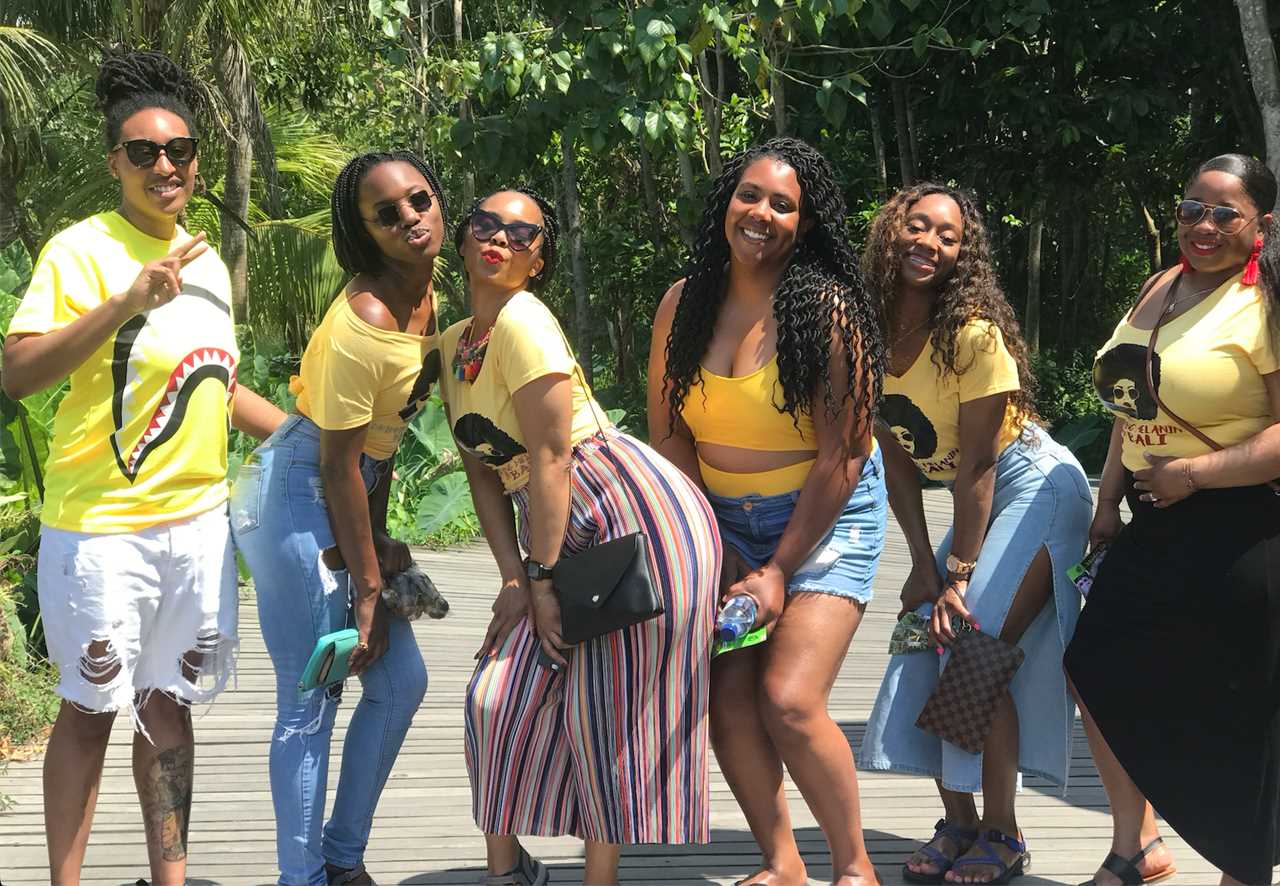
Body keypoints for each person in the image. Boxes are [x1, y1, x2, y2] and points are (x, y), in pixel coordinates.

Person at [0, 50, 283, 885]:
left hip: (196, 527)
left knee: (168, 710)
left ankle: (172, 877)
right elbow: (17, 371)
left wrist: (303, 435)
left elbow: (216, 383)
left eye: (180, 150)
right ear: (114, 163)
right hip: (101, 531)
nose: (166, 165)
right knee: (89, 713)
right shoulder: (80, 249)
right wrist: (125, 301)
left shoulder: (206, 263)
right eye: (144, 152)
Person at [441, 187, 721, 886]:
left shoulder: (524, 318)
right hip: (552, 522)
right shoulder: (454, 345)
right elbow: (484, 470)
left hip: (623, 513)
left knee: (609, 708)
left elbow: (552, 455)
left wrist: (540, 581)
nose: (500, 237)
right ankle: (506, 873)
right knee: (494, 698)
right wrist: (517, 577)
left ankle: (601, 879)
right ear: (463, 238)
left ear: (538, 262)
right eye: (486, 223)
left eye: (522, 233)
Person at [648, 136, 887, 886]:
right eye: (751, 196)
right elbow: (668, 433)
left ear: (805, 224)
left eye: (784, 205)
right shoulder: (683, 304)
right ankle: (781, 864)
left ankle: (853, 868)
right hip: (719, 520)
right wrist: (716, 544)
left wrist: (779, 567)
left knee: (788, 698)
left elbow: (843, 455)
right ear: (728, 203)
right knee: (730, 702)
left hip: (824, 517)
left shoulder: (827, 311)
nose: (762, 214)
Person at [856, 183, 1091, 885]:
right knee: (925, 632)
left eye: (947, 235)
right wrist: (923, 568)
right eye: (917, 226)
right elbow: (896, 463)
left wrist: (956, 572)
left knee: (975, 646)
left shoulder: (973, 333)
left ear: (964, 254)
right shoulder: (865, 331)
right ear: (891, 232)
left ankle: (1004, 832)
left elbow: (982, 463)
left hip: (1033, 487)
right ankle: (958, 822)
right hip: (972, 502)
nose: (929, 242)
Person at [229, 150, 444, 885]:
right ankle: (305, 878)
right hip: (296, 496)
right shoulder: (365, 321)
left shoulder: (430, 296)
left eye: (420, 199)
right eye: (386, 213)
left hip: (350, 485)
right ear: (363, 233)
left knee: (399, 682)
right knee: (311, 697)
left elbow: (377, 452)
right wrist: (369, 588)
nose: (410, 218)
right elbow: (336, 465)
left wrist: (378, 547)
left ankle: (341, 857)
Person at [1065, 153, 1280, 886]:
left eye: (1226, 213)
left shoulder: (1266, 307)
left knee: (1240, 707)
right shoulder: (1162, 285)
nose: (1204, 226)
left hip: (1241, 521)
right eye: (1193, 209)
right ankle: (1136, 842)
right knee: (1092, 663)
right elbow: (1133, 402)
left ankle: (1243, 870)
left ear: (1263, 225)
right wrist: (1105, 501)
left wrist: (1193, 474)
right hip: (1152, 516)